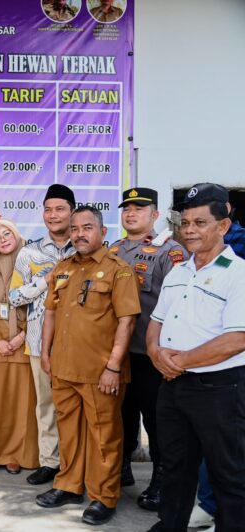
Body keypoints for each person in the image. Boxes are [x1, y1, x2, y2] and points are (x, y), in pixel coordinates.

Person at [146, 183, 245, 532]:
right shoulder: (179, 272)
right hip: (173, 386)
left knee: (228, 472)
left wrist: (179, 361)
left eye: (200, 222)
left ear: (223, 225)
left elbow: (237, 339)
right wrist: (158, 356)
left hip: (218, 389)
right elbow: (155, 322)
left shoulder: (238, 274)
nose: (189, 230)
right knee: (175, 466)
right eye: (185, 222)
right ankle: (170, 525)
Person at [35, 206, 140, 526]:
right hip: (64, 368)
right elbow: (50, 313)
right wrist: (45, 352)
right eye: (74, 228)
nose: (79, 234)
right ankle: (69, 485)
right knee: (69, 431)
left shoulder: (118, 270)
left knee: (103, 437)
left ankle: (104, 496)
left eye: (87, 227)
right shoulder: (63, 267)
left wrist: (113, 366)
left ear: (103, 232)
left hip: (100, 373)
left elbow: (127, 320)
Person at [108, 188, 186, 509]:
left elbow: (176, 306)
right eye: (127, 208)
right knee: (122, 414)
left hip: (149, 353)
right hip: (118, 353)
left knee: (156, 419)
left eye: (139, 209)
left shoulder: (171, 252)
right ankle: (122, 467)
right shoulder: (112, 250)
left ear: (154, 215)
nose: (131, 213)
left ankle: (161, 478)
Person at [9, 183, 76, 486]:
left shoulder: (87, 247)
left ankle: (78, 463)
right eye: (48, 210)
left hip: (81, 345)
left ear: (73, 211)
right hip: (39, 344)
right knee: (46, 405)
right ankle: (50, 462)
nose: (53, 215)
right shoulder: (30, 252)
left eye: (60, 209)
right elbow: (13, 298)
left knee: (80, 408)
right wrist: (45, 281)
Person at [0, 220, 39, 475]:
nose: (2, 239)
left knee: (21, 404)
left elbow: (40, 304)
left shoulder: (32, 264)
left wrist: (21, 336)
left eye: (7, 233)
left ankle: (16, 453)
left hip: (23, 343)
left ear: (17, 235)